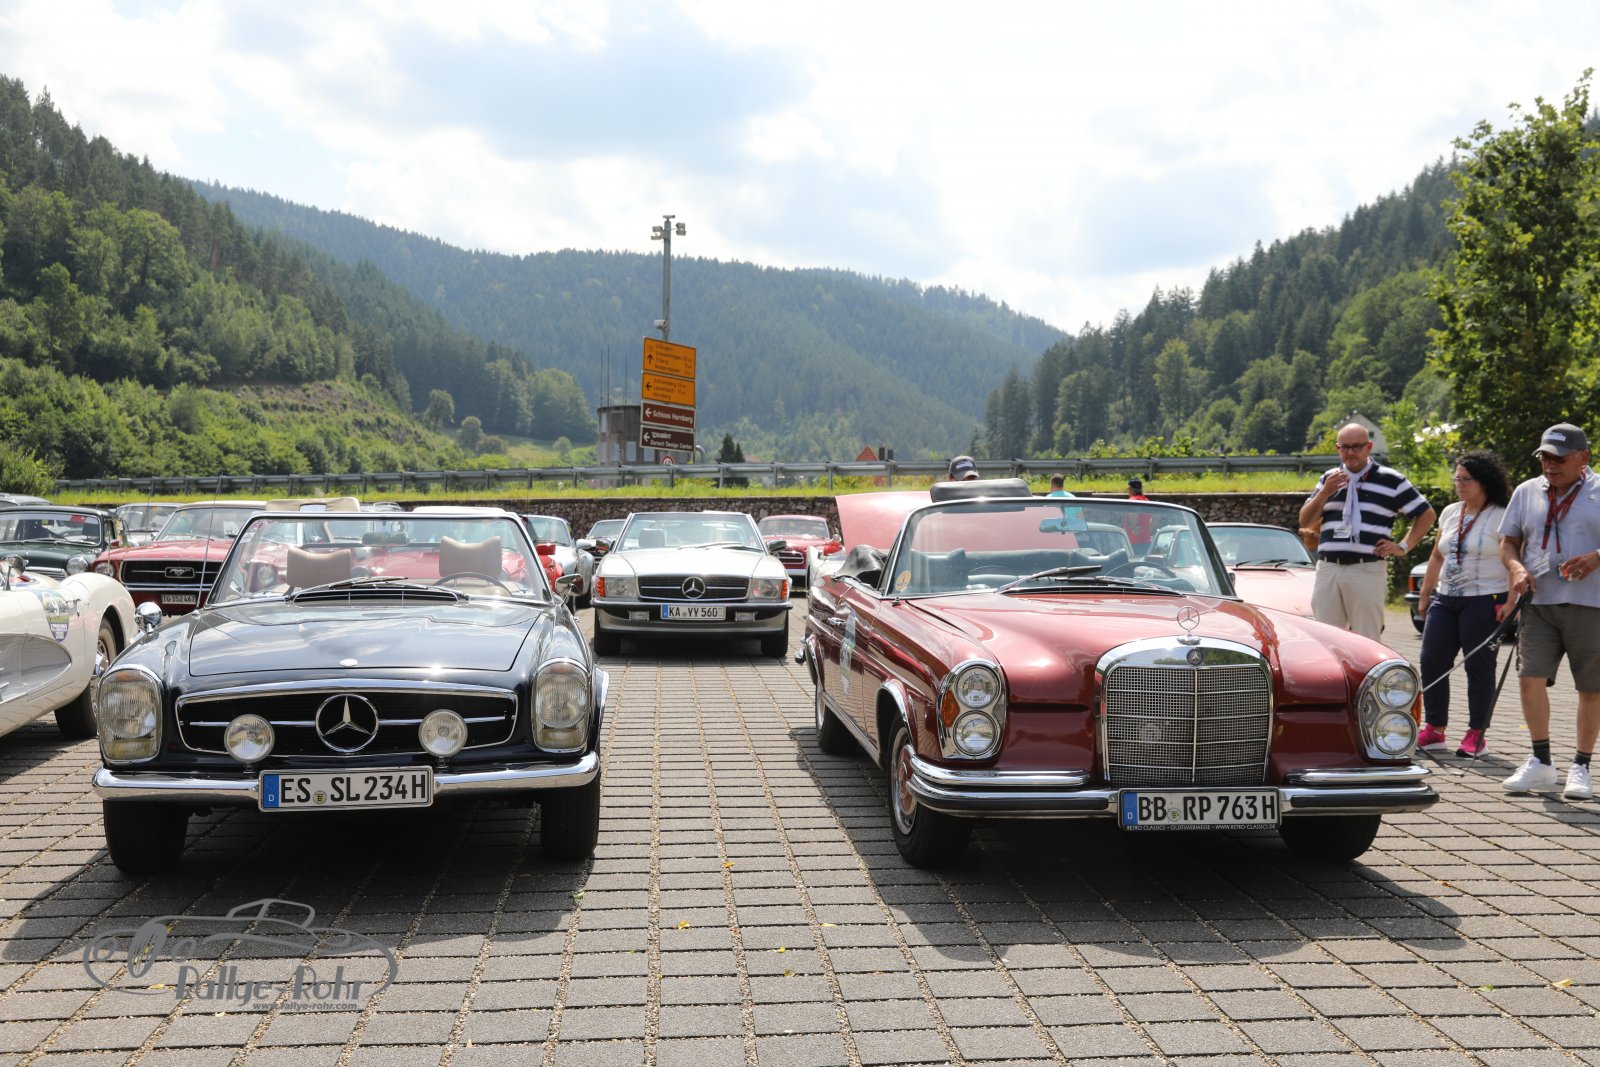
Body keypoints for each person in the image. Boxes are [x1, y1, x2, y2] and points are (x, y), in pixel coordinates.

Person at [1498, 423, 1600, 800]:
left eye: (1559, 458)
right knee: (1530, 678)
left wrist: (1597, 556)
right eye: (1544, 457)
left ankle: (1581, 766)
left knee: (1591, 688)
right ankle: (1541, 761)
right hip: (1539, 603)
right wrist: (1516, 568)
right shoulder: (1527, 491)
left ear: (1583, 457)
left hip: (1591, 604)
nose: (1550, 465)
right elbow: (1508, 541)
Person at [1416, 450, 1514, 758]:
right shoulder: (1450, 512)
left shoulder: (1502, 514)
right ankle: (1434, 729)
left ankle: (1476, 735)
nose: (1459, 484)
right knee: (1432, 661)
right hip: (1446, 599)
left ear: (1484, 481)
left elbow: (1513, 556)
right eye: (1456, 478)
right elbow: (1437, 555)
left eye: (1465, 479)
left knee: (1478, 666)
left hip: (1486, 599)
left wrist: (1513, 600)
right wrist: (1425, 593)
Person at [1298, 422, 1436, 641]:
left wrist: (1403, 546)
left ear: (1369, 447)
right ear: (1338, 449)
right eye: (1345, 447)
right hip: (1328, 567)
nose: (1350, 452)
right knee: (1326, 638)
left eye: (1357, 446)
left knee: (1366, 638)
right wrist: (1324, 492)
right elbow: (1305, 521)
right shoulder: (1328, 478)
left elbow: (1426, 514)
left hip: (1366, 568)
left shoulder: (1391, 479)